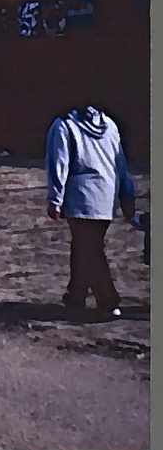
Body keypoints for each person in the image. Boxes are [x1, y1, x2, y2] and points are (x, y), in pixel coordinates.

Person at [45, 102, 139, 318]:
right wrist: (127, 194)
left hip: (80, 197)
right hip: (106, 196)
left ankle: (108, 300)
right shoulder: (110, 125)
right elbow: (120, 164)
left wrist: (55, 199)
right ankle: (75, 295)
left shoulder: (64, 125)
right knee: (85, 246)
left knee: (89, 250)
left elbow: (59, 164)